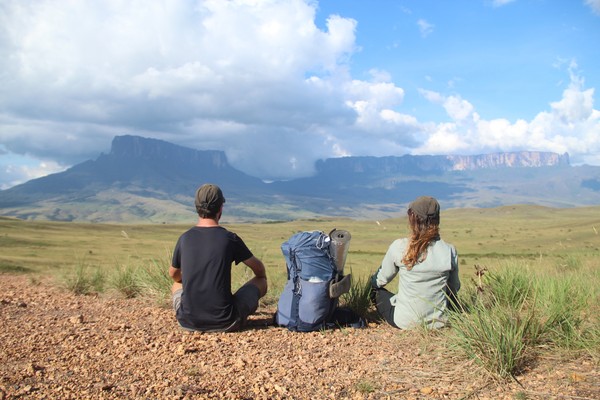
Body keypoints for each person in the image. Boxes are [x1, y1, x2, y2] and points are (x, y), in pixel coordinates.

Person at [169, 183, 268, 332]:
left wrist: (191, 281)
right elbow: (258, 269)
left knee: (176, 285)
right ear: (220, 208)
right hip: (226, 322)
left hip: (187, 322)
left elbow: (173, 275)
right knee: (262, 282)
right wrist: (261, 275)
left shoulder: (185, 238)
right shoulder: (230, 238)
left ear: (196, 207)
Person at [369, 196, 460, 329]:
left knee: (375, 291)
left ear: (413, 219)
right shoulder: (449, 250)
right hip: (438, 323)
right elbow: (454, 287)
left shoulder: (400, 246)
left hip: (404, 321)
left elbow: (380, 280)